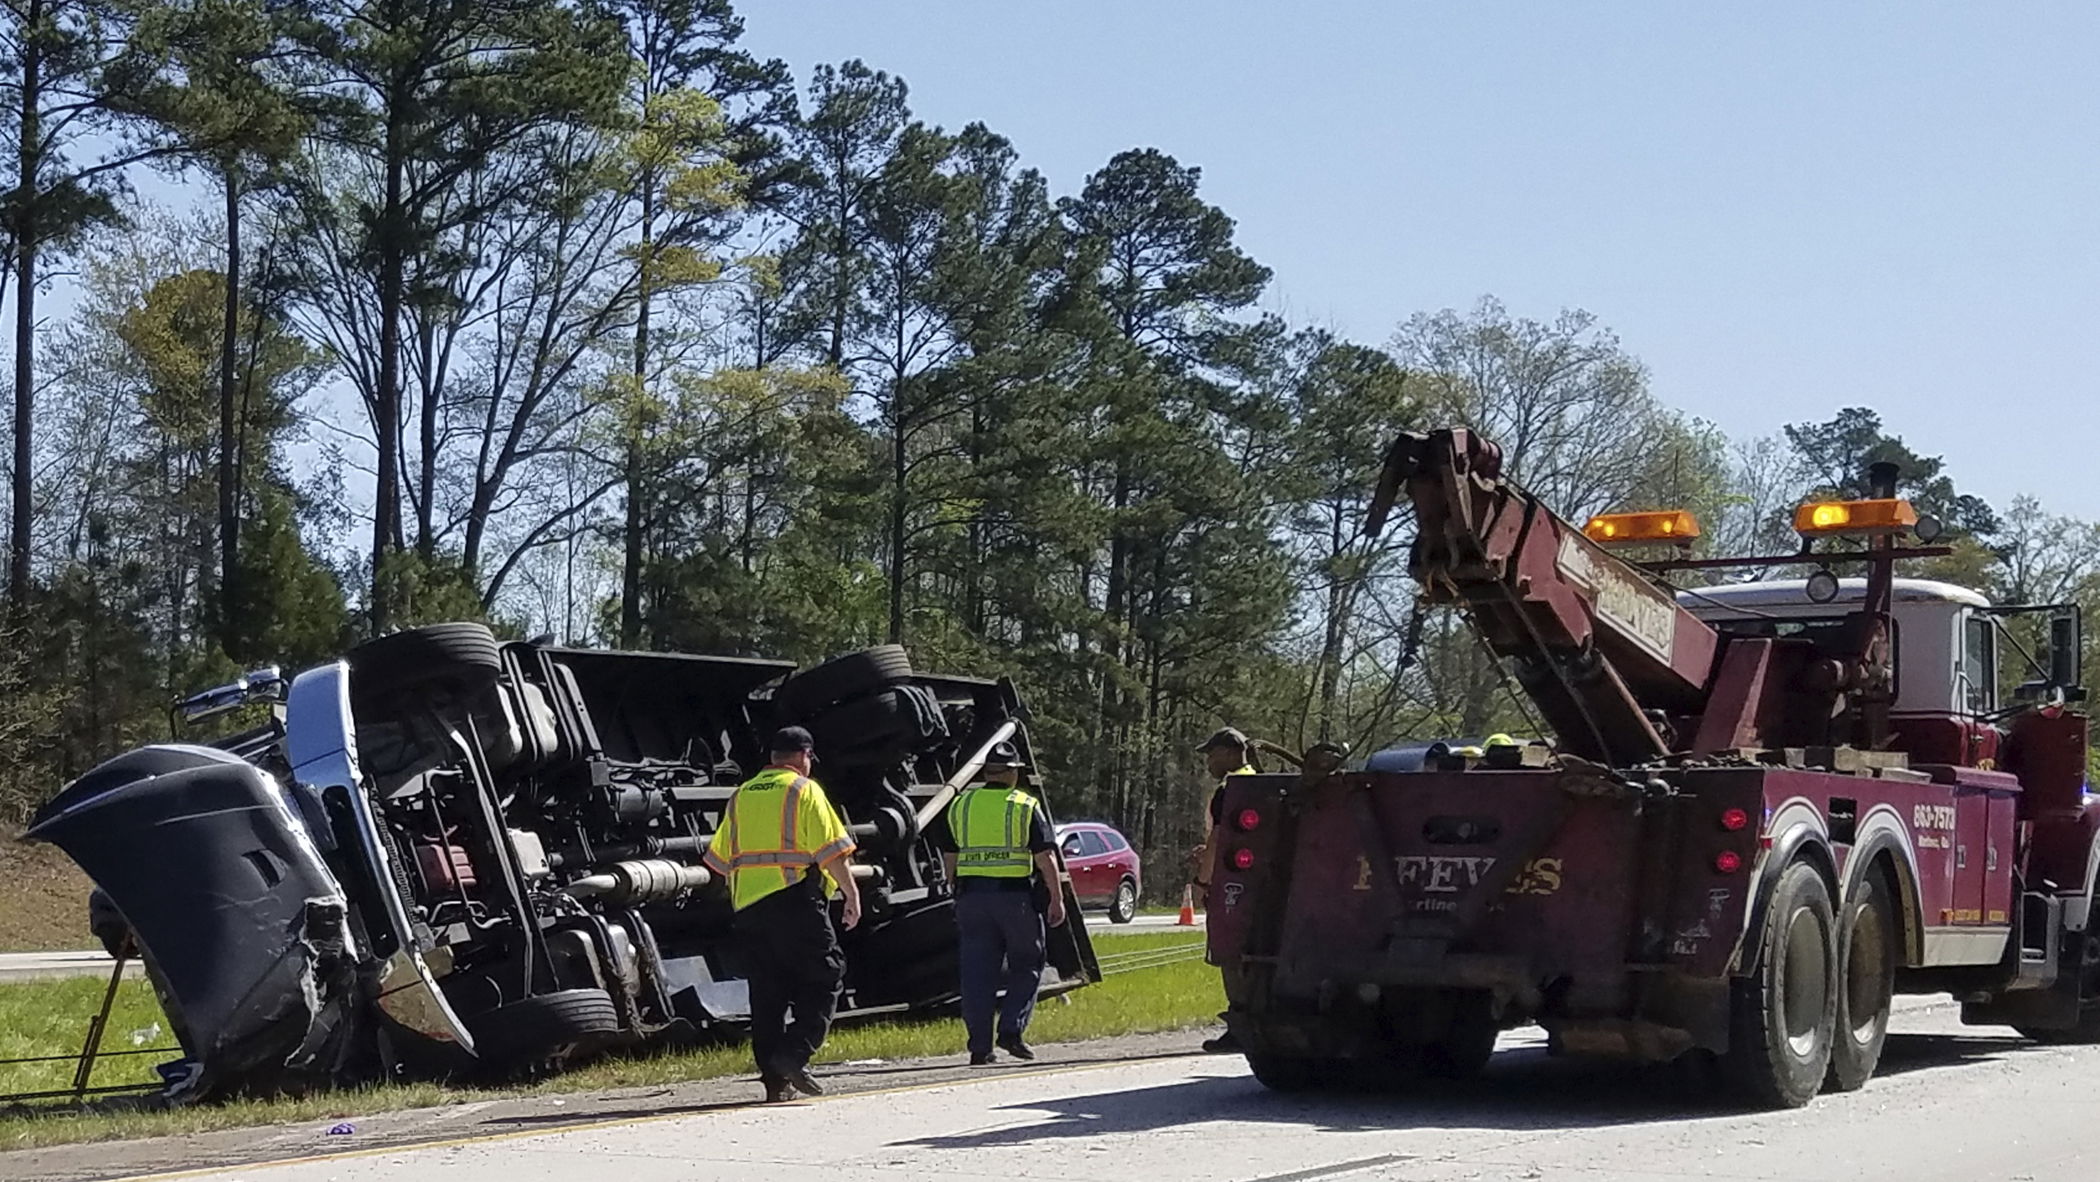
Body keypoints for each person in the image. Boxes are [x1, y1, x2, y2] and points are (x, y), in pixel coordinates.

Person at [703, 725, 863, 1103]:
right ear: (804, 756)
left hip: (749, 909)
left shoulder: (740, 795)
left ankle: (775, 1083)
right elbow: (832, 852)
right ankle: (794, 1053)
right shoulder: (804, 790)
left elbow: (719, 861)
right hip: (794, 900)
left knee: (767, 994)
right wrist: (851, 894)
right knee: (826, 976)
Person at [931, 739, 1067, 1065]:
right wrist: (1056, 898)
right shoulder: (1024, 805)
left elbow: (950, 854)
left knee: (977, 974)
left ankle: (980, 1047)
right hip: (1015, 898)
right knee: (1028, 962)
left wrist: (953, 886)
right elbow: (1045, 856)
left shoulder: (961, 804)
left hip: (972, 899)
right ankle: (1011, 1029)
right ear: (1010, 773)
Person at [1193, 726, 1256, 1054]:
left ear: (1232, 751)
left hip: (1233, 884)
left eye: (1213, 754)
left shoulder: (1230, 789)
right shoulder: (1258, 781)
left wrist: (1203, 880)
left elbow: (1219, 839)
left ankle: (1239, 1025)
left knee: (1230, 953)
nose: (1209, 762)